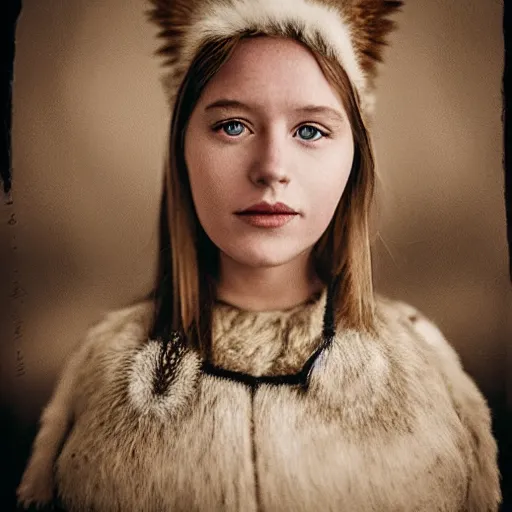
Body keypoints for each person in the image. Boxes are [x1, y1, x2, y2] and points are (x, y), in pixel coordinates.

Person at [16, 0, 502, 510]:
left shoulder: (420, 368)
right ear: (182, 149)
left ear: (355, 159)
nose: (271, 168)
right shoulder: (104, 370)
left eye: (310, 130)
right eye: (232, 126)